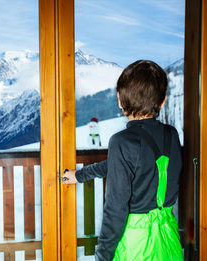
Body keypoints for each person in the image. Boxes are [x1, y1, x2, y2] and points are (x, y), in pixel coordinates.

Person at [63, 60, 183, 261]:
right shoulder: (171, 135)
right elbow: (132, 164)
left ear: (119, 100)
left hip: (136, 245)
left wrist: (103, 256)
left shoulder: (122, 142)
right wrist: (80, 175)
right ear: (162, 101)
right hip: (168, 238)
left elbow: (115, 209)